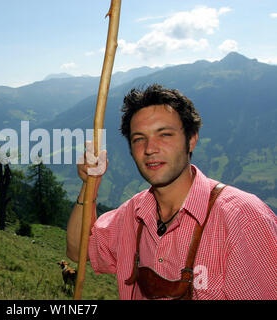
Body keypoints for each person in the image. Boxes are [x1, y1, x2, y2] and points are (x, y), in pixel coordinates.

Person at [66, 84, 277, 300]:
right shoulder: (133, 213)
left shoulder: (243, 218)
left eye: (164, 134)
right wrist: (89, 184)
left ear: (191, 140)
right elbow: (77, 250)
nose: (150, 148)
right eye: (139, 139)